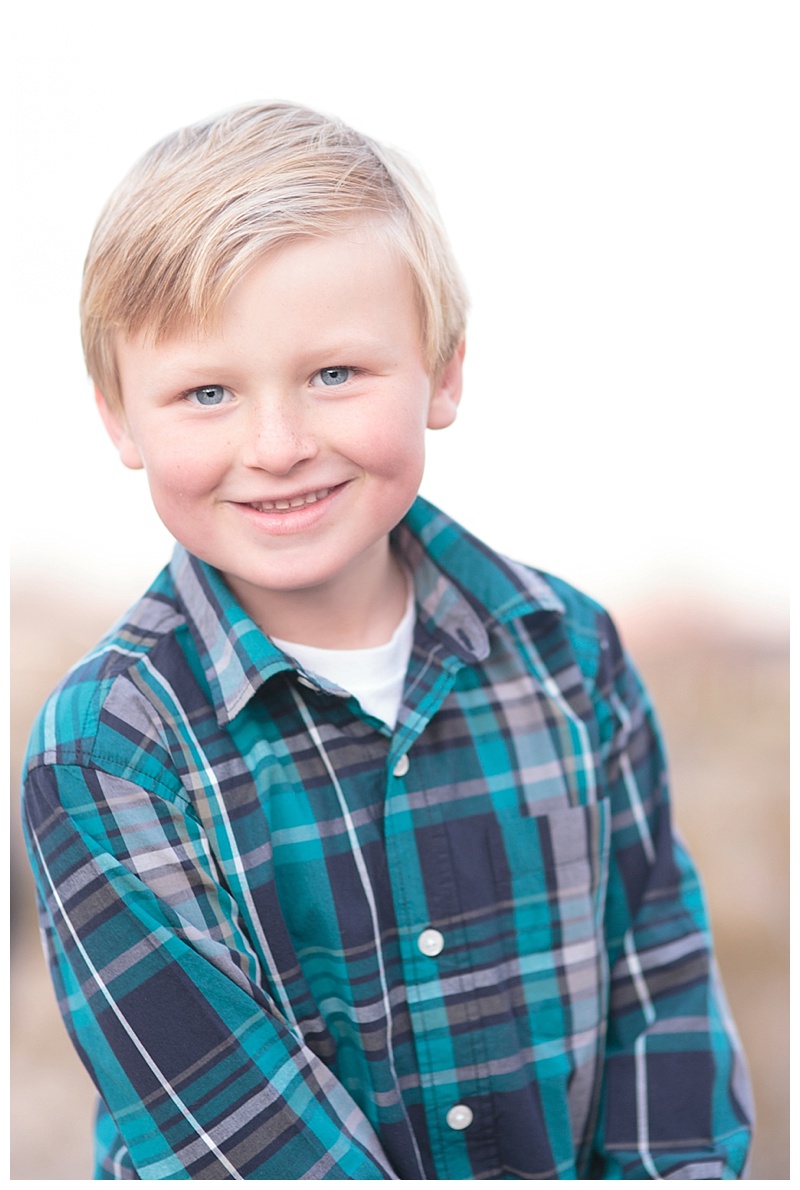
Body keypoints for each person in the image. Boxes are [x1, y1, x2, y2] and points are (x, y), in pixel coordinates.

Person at [21, 101, 753, 1180]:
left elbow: (663, 1012)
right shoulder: (105, 754)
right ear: (121, 420)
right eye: (206, 392)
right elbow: (244, 1141)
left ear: (442, 373)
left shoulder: (568, 656)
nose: (276, 445)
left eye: (334, 375)